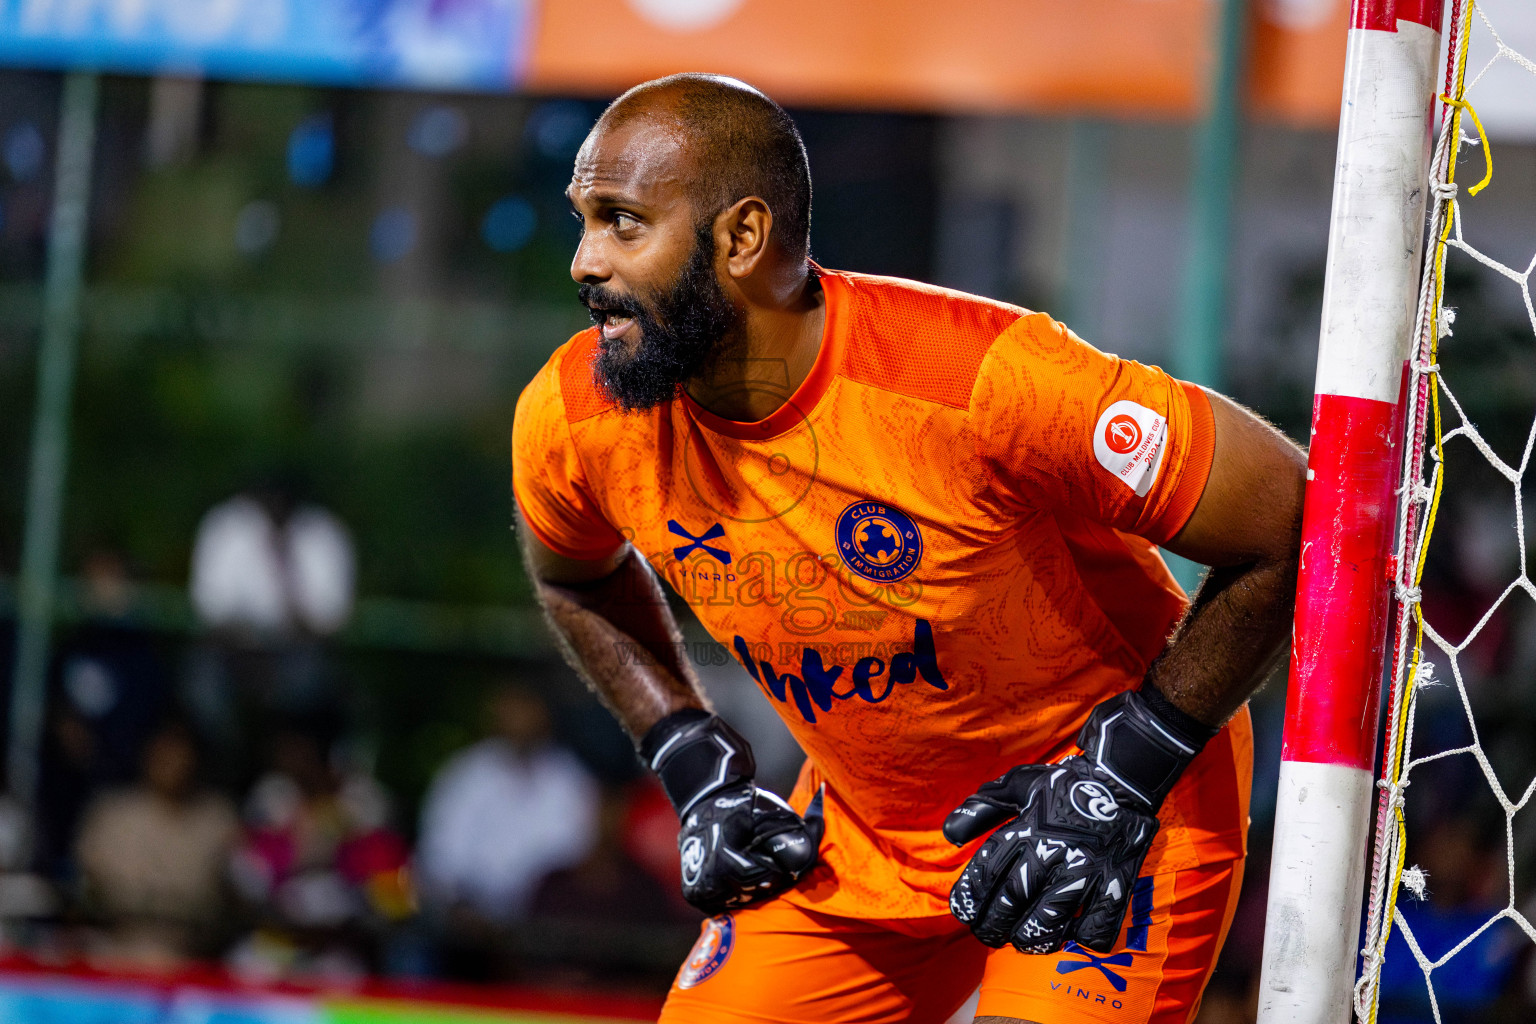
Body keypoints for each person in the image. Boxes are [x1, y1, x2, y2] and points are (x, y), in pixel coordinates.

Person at [512, 74, 1306, 1024]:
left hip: (1106, 811)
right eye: (583, 221)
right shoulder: (576, 414)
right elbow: (577, 581)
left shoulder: (980, 382)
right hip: (859, 834)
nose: (584, 262)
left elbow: (1288, 520)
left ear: (741, 238)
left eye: (622, 222)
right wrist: (691, 759)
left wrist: (1125, 769)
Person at [416, 683, 600, 926]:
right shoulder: (465, 775)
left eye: (526, 710)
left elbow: (581, 856)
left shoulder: (569, 777)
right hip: (470, 923)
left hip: (550, 922)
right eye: (510, 711)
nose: (518, 720)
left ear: (544, 716)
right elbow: (440, 861)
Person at [75, 721, 239, 967]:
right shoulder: (111, 815)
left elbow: (235, 894)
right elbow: (88, 890)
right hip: (116, 954)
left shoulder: (218, 819)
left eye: (181, 754)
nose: (173, 764)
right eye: (163, 754)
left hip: (195, 961)